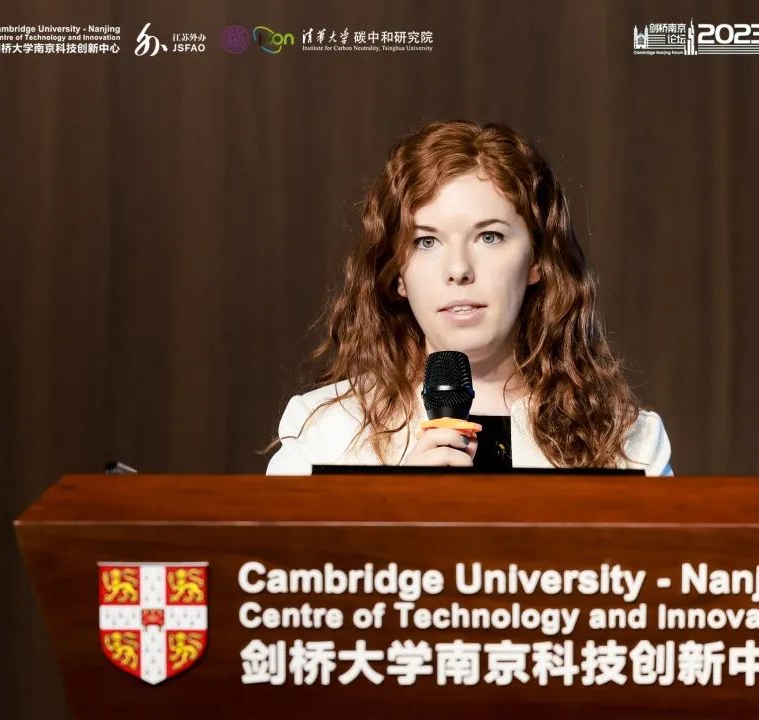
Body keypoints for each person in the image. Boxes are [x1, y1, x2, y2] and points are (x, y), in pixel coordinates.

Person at [265, 120, 672, 475]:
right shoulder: (325, 432)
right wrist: (394, 508)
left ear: (537, 259)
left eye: (489, 236)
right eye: (426, 241)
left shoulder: (627, 441)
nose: (458, 269)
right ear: (398, 273)